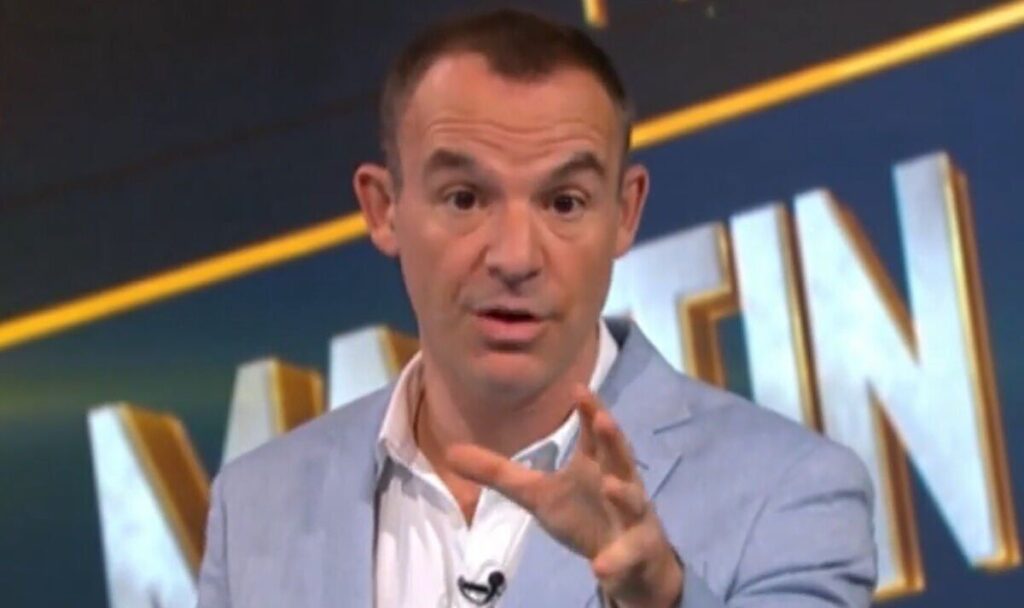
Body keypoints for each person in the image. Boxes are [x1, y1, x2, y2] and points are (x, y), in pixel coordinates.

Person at [197, 9, 876, 607]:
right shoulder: (255, 506)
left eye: (564, 203)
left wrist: (662, 601)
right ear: (383, 209)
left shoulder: (791, 491)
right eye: (465, 198)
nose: (515, 256)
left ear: (625, 212)